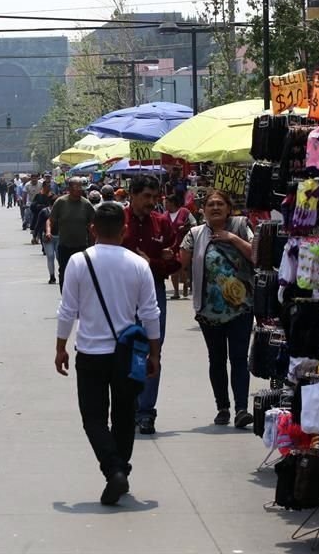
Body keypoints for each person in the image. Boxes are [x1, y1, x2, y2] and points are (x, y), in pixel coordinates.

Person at [55, 202, 161, 506]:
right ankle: (119, 468)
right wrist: (155, 353)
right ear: (124, 230)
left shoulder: (78, 262)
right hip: (129, 354)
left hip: (90, 351)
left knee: (93, 418)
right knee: (125, 415)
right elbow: (150, 314)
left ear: (92, 229)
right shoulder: (138, 264)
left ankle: (114, 469)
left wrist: (60, 346)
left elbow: (67, 310)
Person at [179, 190, 255, 429]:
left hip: (241, 308)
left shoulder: (242, 226)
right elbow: (182, 263)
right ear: (203, 210)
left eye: (220, 203)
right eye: (210, 204)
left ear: (228, 208)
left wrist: (231, 238)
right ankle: (222, 407)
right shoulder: (195, 234)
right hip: (208, 311)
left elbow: (255, 254)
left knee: (239, 359)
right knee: (217, 360)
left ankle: (242, 409)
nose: (215, 207)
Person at [122, 175, 179, 435]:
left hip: (153, 292)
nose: (151, 202)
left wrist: (151, 263)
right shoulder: (117, 220)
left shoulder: (162, 223)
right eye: (146, 196)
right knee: (129, 349)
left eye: (155, 197)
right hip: (122, 294)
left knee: (152, 349)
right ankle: (130, 406)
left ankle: (146, 412)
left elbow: (175, 261)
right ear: (132, 195)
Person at [47, 178, 95, 291]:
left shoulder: (86, 204)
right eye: (76, 187)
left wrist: (94, 242)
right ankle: (65, 298)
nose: (79, 189)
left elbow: (93, 224)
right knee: (64, 272)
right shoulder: (61, 202)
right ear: (69, 188)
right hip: (64, 246)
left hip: (82, 246)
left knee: (82, 274)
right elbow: (50, 220)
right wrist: (48, 232)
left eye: (81, 187)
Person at [164, 194, 196, 300]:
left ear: (173, 202)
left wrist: (186, 228)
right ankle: (176, 292)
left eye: (167, 202)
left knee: (182, 267)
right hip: (171, 246)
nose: (165, 204)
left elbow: (194, 223)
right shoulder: (164, 215)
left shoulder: (184, 212)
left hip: (184, 244)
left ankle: (186, 283)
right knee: (173, 268)